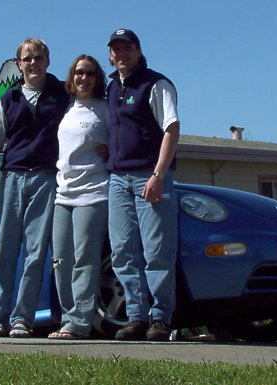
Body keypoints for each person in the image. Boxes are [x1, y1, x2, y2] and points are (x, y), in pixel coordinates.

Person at [0, 38, 69, 338]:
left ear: (48, 61)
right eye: (27, 58)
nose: (33, 63)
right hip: (12, 178)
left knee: (36, 254)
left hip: (47, 178)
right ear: (19, 64)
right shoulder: (8, 100)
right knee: (5, 253)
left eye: (39, 57)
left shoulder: (62, 94)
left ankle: (22, 318)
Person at [105, 29, 180, 341]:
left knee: (157, 252)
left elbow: (171, 129)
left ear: (138, 51)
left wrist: (158, 175)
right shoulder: (111, 87)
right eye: (116, 49)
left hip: (149, 178)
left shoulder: (156, 83)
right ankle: (135, 317)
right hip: (117, 179)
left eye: (127, 48)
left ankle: (160, 318)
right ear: (110, 54)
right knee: (123, 251)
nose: (121, 54)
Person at [47, 55, 109, 340]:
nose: (83, 78)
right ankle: (68, 317)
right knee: (61, 259)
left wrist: (114, 151)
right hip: (64, 194)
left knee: (85, 259)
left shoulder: (106, 110)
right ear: (71, 77)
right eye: (79, 73)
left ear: (97, 79)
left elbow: (124, 139)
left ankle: (81, 323)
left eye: (90, 74)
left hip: (94, 192)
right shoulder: (68, 108)